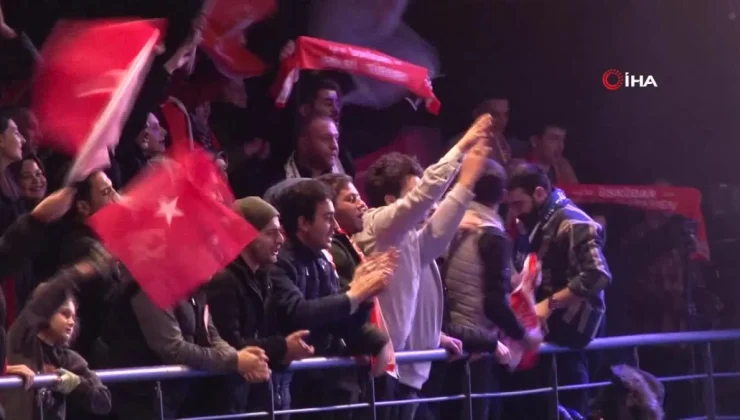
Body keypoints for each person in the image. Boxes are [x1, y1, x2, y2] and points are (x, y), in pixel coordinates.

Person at [354, 115, 493, 420]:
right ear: (391, 200)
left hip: (404, 372)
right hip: (379, 369)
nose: (428, 204)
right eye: (415, 195)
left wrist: (466, 184)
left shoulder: (407, 238)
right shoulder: (377, 225)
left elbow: (437, 234)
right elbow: (425, 197)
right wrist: (462, 147)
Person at [270, 179, 395, 417]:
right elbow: (298, 314)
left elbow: (339, 322)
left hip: (331, 389)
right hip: (299, 394)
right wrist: (355, 294)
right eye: (328, 218)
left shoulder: (321, 260)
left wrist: (366, 298)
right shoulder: (280, 263)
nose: (335, 226)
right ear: (304, 223)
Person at [435, 158, 541, 420]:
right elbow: (494, 304)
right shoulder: (491, 234)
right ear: (502, 196)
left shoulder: (447, 225)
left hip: (449, 340)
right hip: (477, 348)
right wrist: (524, 336)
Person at [504, 163, 611, 417]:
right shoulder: (541, 223)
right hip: (547, 342)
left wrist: (549, 304)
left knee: (569, 409)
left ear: (540, 193)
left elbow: (598, 274)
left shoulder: (573, 222)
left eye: (519, 204)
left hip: (569, 345)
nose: (515, 213)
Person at [202, 197, 315, 415]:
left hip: (252, 396)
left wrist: (286, 353)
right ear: (246, 235)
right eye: (271, 233)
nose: (280, 240)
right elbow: (230, 344)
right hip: (225, 401)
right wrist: (283, 347)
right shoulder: (224, 280)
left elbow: (264, 334)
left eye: (280, 232)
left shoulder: (264, 277)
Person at [3, 252, 113, 420]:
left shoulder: (67, 358)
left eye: (74, 317)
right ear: (47, 313)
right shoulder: (22, 341)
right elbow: (46, 298)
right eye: (65, 314)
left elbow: (103, 402)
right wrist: (80, 271)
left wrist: (76, 384)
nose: (71, 322)